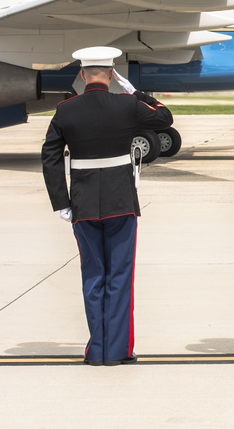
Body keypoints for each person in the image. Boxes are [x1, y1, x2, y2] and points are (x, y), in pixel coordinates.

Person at [41, 46, 173, 366]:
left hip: (83, 204)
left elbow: (50, 157)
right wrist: (136, 91)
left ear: (83, 75)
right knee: (119, 276)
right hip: (121, 201)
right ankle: (116, 351)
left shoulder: (66, 110)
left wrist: (61, 202)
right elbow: (165, 117)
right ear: (113, 74)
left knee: (93, 276)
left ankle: (96, 350)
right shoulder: (127, 104)